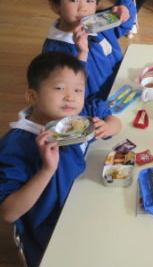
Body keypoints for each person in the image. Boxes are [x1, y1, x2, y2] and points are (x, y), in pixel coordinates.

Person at [0, 51, 121, 267]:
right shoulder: (16, 146)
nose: (71, 97)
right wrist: (46, 170)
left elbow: (106, 114)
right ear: (32, 97)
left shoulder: (75, 119)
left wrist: (109, 125)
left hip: (83, 207)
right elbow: (8, 213)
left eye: (78, 90)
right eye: (59, 88)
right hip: (49, 233)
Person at [43, 0, 136, 111]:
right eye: (74, 0)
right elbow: (68, 88)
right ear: (55, 5)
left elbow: (126, 21)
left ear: (97, 5)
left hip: (122, 89)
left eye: (89, 0)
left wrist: (124, 8)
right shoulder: (53, 50)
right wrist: (82, 53)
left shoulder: (99, 22)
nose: (83, 7)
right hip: (95, 107)